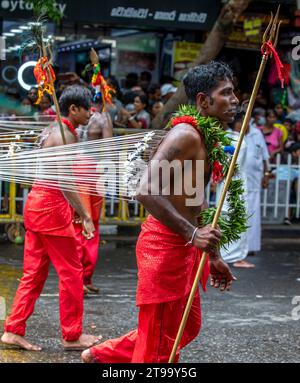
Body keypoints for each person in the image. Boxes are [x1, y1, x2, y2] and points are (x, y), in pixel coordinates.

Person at [81, 61, 236, 363]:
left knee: (183, 327)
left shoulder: (205, 136)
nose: (234, 101)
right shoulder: (186, 135)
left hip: (187, 247)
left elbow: (195, 198)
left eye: (234, 93)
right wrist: (192, 233)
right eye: (226, 93)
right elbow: (145, 188)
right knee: (159, 344)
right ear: (203, 101)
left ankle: (102, 354)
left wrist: (213, 254)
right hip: (165, 247)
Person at [1, 85, 101, 351]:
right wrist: (85, 215)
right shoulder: (65, 135)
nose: (91, 114)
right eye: (87, 108)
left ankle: (13, 330)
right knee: (71, 273)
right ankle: (72, 335)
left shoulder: (50, 131)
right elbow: (66, 182)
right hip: (51, 208)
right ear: (73, 109)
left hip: (37, 204)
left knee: (33, 274)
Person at [74, 104, 113, 295]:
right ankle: (81, 278)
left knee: (79, 222)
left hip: (75, 167)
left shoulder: (76, 114)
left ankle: (82, 278)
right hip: (93, 171)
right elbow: (108, 148)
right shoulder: (103, 117)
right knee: (91, 223)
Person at [237, 113, 270, 258]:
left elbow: (265, 156)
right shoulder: (234, 134)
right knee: (238, 213)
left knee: (253, 215)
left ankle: (251, 247)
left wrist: (267, 174)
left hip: (254, 181)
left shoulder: (257, 134)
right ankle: (237, 248)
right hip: (238, 182)